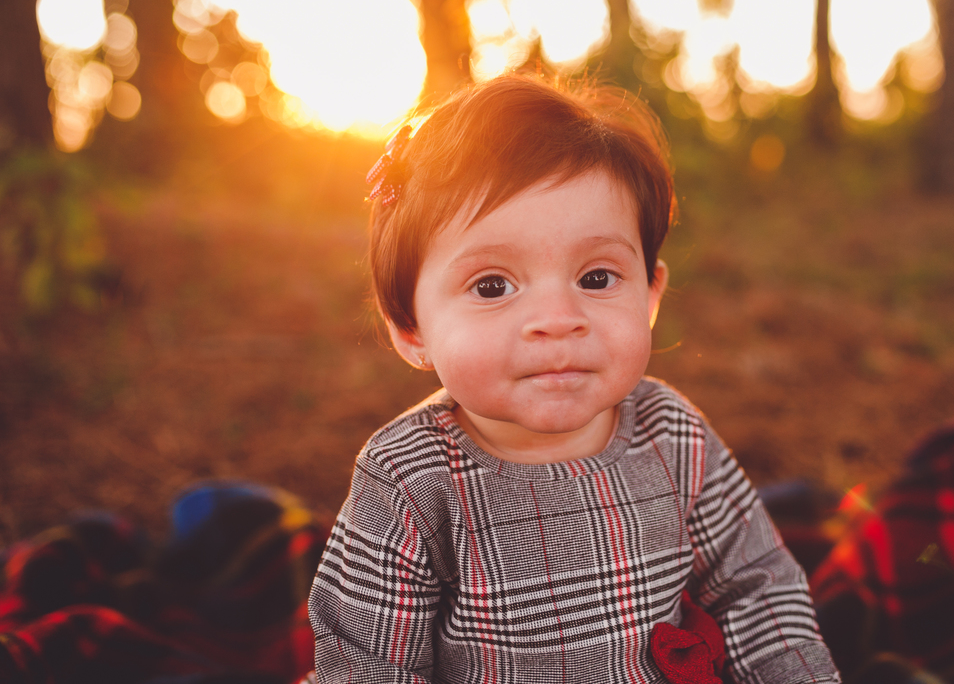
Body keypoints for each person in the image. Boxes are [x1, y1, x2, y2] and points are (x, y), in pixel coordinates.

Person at [308, 75, 840, 684]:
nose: (558, 319)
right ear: (412, 329)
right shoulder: (408, 479)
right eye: (492, 286)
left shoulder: (672, 434)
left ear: (649, 296)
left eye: (596, 278)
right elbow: (367, 664)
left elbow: (759, 589)